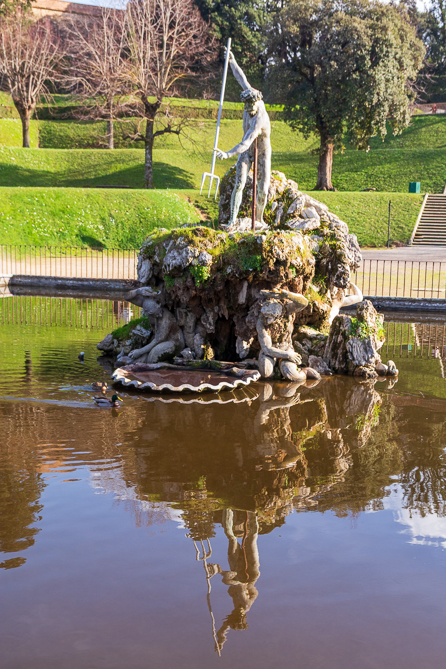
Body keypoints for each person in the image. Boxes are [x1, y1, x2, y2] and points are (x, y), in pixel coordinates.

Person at [215, 49, 271, 227]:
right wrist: (232, 61)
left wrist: (228, 154)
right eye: (245, 107)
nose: (248, 110)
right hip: (246, 152)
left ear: (257, 102)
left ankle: (259, 220)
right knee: (239, 184)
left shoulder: (259, 119)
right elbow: (241, 78)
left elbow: (247, 142)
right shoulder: (250, 96)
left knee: (262, 189)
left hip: (261, 151)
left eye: (251, 107)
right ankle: (232, 220)